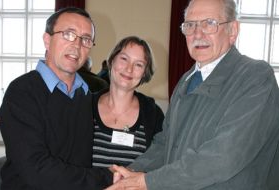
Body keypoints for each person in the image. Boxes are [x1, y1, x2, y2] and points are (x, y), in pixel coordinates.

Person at [106, 0, 279, 189]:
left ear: (233, 30)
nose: (198, 33)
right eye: (190, 25)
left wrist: (148, 181)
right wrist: (131, 172)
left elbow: (224, 157)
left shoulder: (255, 77)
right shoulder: (186, 80)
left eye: (209, 23)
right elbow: (166, 143)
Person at [0, 7, 112, 190]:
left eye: (86, 39)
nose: (77, 45)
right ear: (47, 40)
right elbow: (37, 170)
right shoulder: (22, 92)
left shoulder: (84, 95)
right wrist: (107, 177)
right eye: (68, 34)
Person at [92, 36, 164, 168]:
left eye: (138, 64)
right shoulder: (85, 107)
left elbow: (159, 165)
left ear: (144, 73)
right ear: (112, 60)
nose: (129, 69)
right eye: (124, 59)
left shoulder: (153, 115)